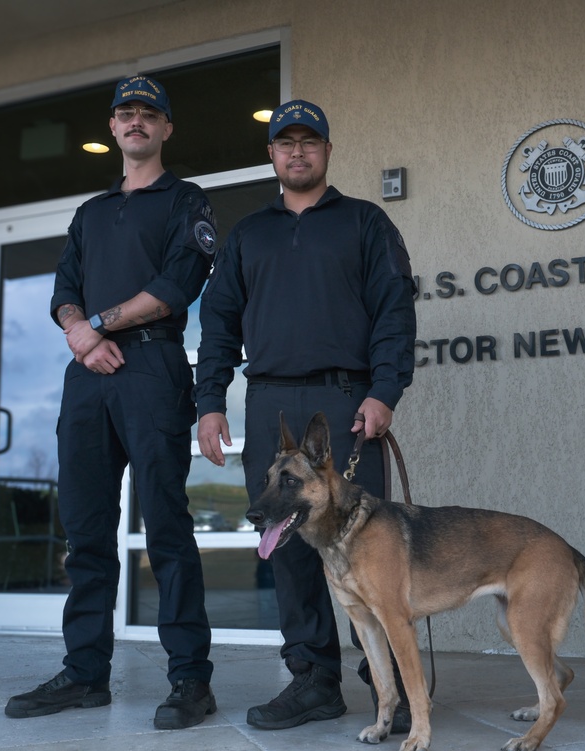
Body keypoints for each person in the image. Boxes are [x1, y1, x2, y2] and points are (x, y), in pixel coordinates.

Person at [194, 99, 417, 732]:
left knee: (368, 543)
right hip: (267, 402)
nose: (297, 151)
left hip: (347, 402)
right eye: (284, 142)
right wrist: (210, 401)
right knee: (285, 540)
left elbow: (395, 313)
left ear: (326, 150)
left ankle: (389, 685)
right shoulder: (248, 236)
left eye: (309, 141)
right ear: (270, 154)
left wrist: (384, 392)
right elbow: (217, 324)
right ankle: (313, 681)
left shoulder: (365, 224)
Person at [5, 75, 218, 730]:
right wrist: (79, 332)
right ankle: (84, 671)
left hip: (151, 366)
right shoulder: (90, 213)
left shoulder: (186, 200)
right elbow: (63, 288)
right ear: (113, 128)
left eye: (148, 114)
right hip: (86, 378)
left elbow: (177, 284)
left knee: (166, 524)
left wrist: (98, 324)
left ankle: (189, 677)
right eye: (125, 113)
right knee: (88, 530)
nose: (135, 122)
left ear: (166, 128)